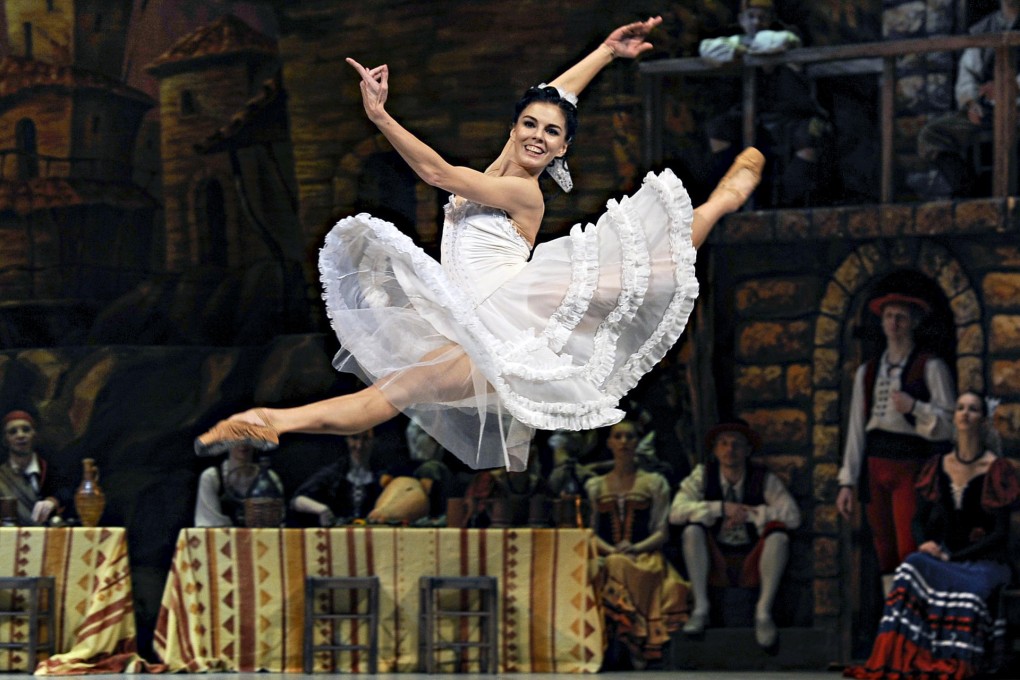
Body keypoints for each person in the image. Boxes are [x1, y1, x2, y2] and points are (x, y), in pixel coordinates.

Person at [194, 17, 764, 475]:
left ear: (562, 150)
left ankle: (720, 202)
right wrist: (607, 53)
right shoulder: (506, 158)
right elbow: (556, 94)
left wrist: (379, 116)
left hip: (514, 311)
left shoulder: (520, 191)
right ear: (514, 127)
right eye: (531, 125)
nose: (539, 136)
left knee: (650, 263)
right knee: (388, 396)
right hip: (472, 319)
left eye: (553, 134)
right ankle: (269, 420)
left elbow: (439, 174)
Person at [845, 391, 1020, 679]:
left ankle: (960, 658)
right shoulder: (938, 466)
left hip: (983, 561)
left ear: (983, 420)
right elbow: (918, 520)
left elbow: (1000, 534)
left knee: (973, 594)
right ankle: (898, 655)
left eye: (973, 409)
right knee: (911, 566)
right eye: (960, 408)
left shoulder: (995, 469)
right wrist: (927, 543)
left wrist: (955, 556)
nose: (965, 413)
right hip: (945, 556)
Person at [836, 292, 955, 595]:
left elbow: (950, 423)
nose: (894, 323)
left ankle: (915, 614)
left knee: (909, 545)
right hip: (876, 465)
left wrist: (914, 407)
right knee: (884, 548)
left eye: (901, 317)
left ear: (913, 322)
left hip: (910, 465)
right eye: (889, 316)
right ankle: (894, 616)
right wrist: (847, 482)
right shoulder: (868, 372)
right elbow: (856, 431)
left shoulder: (931, 367)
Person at [669, 419, 800, 648]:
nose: (730, 450)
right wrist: (719, 508)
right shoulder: (703, 475)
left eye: (737, 444)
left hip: (752, 556)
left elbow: (793, 516)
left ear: (747, 450)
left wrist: (751, 513)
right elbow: (675, 512)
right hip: (715, 556)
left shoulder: (762, 478)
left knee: (779, 537)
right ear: (715, 449)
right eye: (724, 443)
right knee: (691, 531)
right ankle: (701, 608)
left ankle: (763, 613)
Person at [698, 0, 830, 207]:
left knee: (808, 139)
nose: (756, 22)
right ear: (742, 20)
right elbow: (708, 49)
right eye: (751, 17)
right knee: (719, 129)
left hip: (794, 117)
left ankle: (788, 205)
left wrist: (745, 48)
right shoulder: (736, 42)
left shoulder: (786, 37)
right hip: (757, 119)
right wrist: (739, 48)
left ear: (770, 20)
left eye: (762, 17)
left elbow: (773, 43)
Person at [586, 419, 687, 669]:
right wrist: (612, 550)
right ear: (609, 443)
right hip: (608, 554)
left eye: (629, 437)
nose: (624, 442)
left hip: (646, 556)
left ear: (637, 442)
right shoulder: (596, 485)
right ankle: (625, 642)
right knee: (613, 563)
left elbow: (662, 530)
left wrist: (635, 548)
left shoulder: (654, 482)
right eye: (618, 437)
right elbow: (589, 530)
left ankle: (636, 640)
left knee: (623, 565)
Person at [909, 0, 1020, 199]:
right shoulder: (983, 28)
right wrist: (972, 103)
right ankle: (968, 189)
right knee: (932, 134)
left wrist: (1011, 87)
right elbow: (968, 74)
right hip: (989, 110)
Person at [290, 431, 383, 526]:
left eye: (366, 439)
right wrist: (322, 509)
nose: (359, 445)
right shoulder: (334, 472)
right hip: (338, 535)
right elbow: (297, 500)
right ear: (347, 439)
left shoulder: (382, 473)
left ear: (374, 440)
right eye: (354, 438)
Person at [0, 410, 71, 526]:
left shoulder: (51, 470)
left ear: (35, 435)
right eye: (13, 432)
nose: (20, 435)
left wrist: (53, 501)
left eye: (26, 430)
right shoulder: (2, 475)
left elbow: (68, 493)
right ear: (5, 440)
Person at [194, 443, 282, 527]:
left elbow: (277, 521)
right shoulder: (212, 477)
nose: (243, 444)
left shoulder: (269, 479)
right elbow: (209, 524)